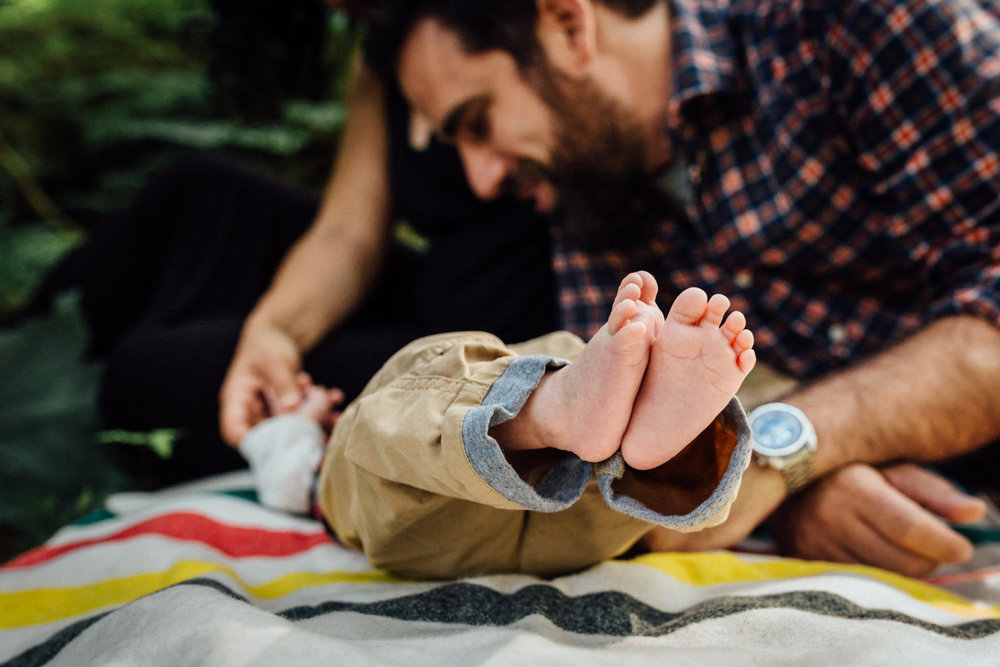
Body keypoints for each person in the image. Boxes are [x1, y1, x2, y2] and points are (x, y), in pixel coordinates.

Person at [355, 0, 1000, 578]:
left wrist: (789, 453)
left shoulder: (858, 25)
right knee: (406, 435)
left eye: (478, 121)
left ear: (569, 23)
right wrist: (793, 487)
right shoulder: (587, 190)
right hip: (883, 488)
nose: (481, 178)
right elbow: (636, 429)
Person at [240, 271, 758, 578]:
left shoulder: (313, 465)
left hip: (446, 537)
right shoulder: (314, 464)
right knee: (409, 394)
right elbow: (278, 447)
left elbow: (281, 448)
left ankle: (571, 413)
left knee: (398, 410)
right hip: (576, 542)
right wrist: (302, 424)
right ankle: (629, 438)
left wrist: (297, 421)